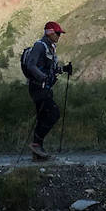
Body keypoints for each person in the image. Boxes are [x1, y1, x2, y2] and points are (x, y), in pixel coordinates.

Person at [21, 21, 72, 161]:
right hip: (38, 87)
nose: (59, 36)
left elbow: (51, 69)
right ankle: (36, 145)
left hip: (45, 87)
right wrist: (42, 77)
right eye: (57, 33)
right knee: (53, 113)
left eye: (60, 34)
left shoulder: (51, 48)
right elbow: (31, 65)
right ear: (50, 32)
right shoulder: (40, 46)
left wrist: (64, 69)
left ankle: (37, 153)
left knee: (43, 116)